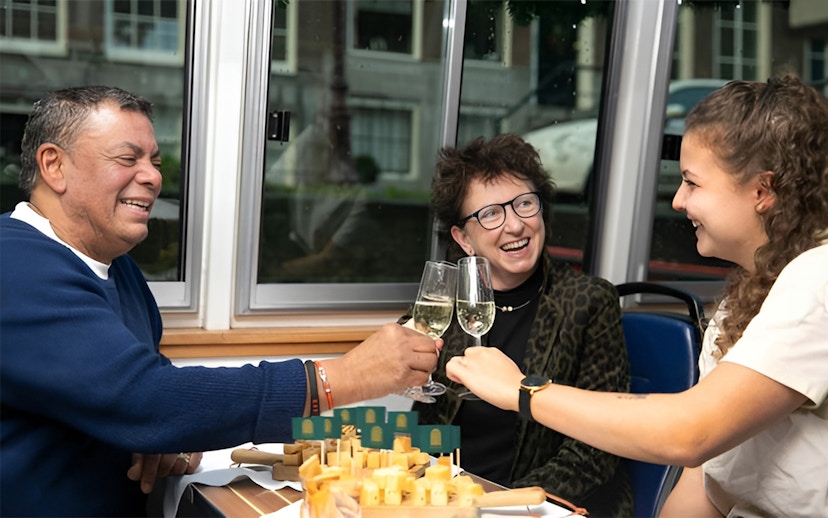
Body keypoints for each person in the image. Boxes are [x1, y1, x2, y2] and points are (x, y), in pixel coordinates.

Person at [0, 85, 441, 517]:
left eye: (154, 160)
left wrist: (169, 435)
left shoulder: (120, 268)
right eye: (127, 158)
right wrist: (342, 377)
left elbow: (140, 397)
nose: (153, 176)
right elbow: (145, 398)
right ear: (54, 166)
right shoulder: (14, 264)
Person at [444, 75, 828, 517]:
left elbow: (691, 432)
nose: (679, 201)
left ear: (761, 191)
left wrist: (523, 391)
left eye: (692, 183)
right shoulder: (739, 302)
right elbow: (708, 478)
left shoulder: (816, 279)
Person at [402, 134, 633, 515]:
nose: (514, 225)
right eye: (491, 214)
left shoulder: (588, 302)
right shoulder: (443, 304)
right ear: (463, 238)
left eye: (525, 204)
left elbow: (599, 447)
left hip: (540, 504)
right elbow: (426, 424)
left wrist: (497, 506)